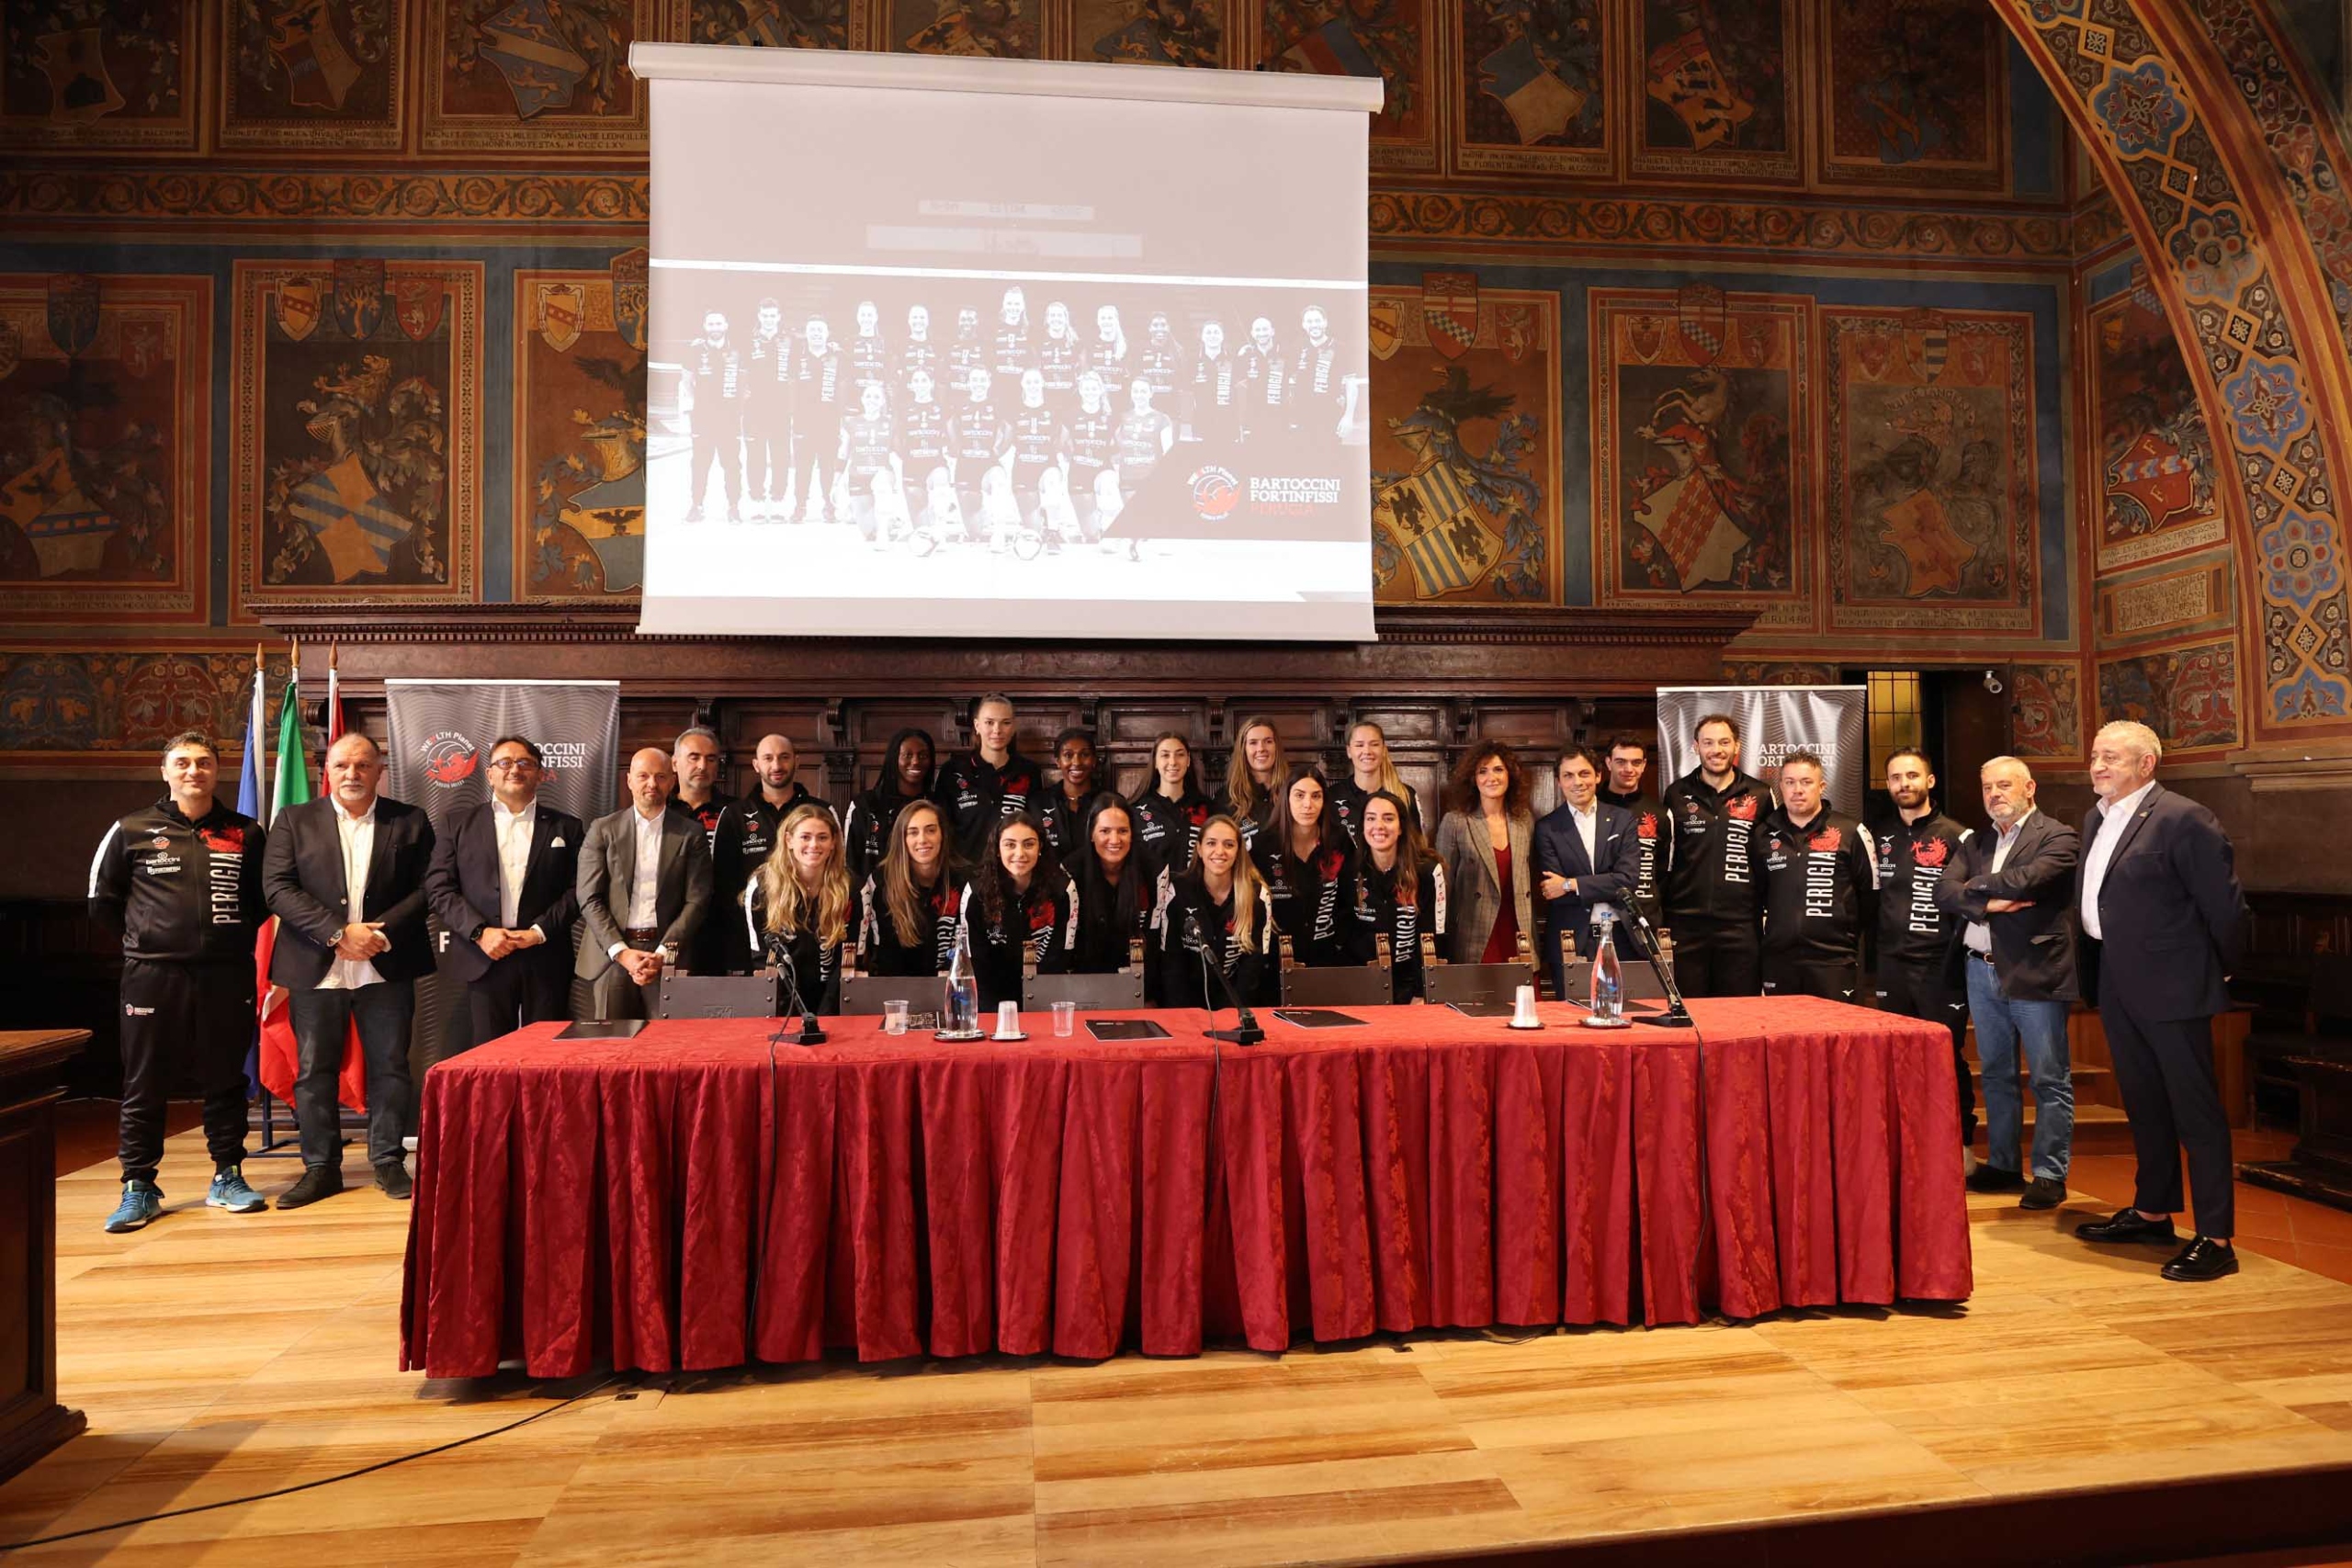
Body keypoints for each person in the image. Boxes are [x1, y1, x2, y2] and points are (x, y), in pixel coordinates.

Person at [2072, 721, 2249, 1281]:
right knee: (2144, 1102)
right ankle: (2153, 1211)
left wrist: (2218, 972)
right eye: (2095, 757)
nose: (2097, 767)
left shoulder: (2183, 817)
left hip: (2174, 986)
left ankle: (2217, 1237)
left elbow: (2226, 909)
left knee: (2195, 1112)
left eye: (2111, 758)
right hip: (2117, 983)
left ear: (2146, 765)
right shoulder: (2096, 816)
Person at [87, 732, 270, 1232]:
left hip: (225, 975)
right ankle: (138, 1186)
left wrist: (218, 942)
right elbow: (102, 903)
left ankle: (228, 1175)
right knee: (144, 1083)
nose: (194, 771)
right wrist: (151, 940)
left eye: (204, 763)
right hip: (152, 976)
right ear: (164, 771)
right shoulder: (130, 829)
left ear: (217, 771)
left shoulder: (246, 832)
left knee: (226, 1081)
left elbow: (261, 903)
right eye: (183, 763)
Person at [262, 732, 436, 1208]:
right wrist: (340, 933)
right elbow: (276, 887)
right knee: (314, 1070)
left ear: (381, 770)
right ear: (327, 771)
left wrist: (377, 934)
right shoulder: (295, 820)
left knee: (391, 1066)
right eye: (342, 766)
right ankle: (321, 1168)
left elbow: (430, 887)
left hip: (387, 962)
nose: (352, 775)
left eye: (363, 766)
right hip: (317, 964)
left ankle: (387, 1160)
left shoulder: (410, 820)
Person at [1936, 755, 2079, 1212]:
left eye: (2004, 785)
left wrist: (1973, 889)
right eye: (1987, 787)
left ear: (2029, 787)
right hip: (1980, 968)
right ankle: (2002, 1164)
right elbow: (1943, 890)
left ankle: (2049, 1174)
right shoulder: (1975, 840)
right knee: (1996, 1074)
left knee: (2048, 1077)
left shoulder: (2057, 835)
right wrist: (1991, 903)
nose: (1994, 794)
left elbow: (2029, 879)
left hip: (2035, 969)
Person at [424, 736, 582, 1051]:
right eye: (505, 763)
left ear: (540, 773)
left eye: (525, 763)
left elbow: (580, 889)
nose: (515, 769)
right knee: (490, 1057)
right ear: (490, 773)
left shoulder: (568, 827)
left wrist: (539, 932)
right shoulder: (458, 824)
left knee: (549, 1056)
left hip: (545, 956)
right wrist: (480, 933)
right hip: (483, 957)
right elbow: (438, 887)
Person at [1871, 748, 1976, 1169]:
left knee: (1945, 1056)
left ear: (1929, 781)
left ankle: (1961, 1146)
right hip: (1892, 965)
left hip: (1941, 966)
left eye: (1912, 776)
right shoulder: (1877, 836)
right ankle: (1901, 1144)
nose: (1904, 784)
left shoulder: (1958, 836)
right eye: (1896, 778)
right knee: (1893, 1058)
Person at [577, 748, 713, 1021]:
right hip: (612, 955)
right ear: (629, 780)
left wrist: (663, 952)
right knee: (611, 1051)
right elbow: (589, 897)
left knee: (669, 1052)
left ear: (672, 782)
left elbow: (697, 900)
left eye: (660, 776)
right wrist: (622, 953)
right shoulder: (602, 829)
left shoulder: (691, 833)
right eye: (643, 776)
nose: (652, 784)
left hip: (669, 953)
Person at [1660, 712, 1770, 997]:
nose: (1716, 750)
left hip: (1741, 926)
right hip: (1685, 924)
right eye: (1708, 743)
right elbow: (1666, 859)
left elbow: (1770, 857)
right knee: (1691, 1014)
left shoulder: (1760, 793)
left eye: (1724, 742)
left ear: (1737, 746)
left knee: (1738, 1016)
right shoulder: (1676, 793)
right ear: (1696, 747)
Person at [1757, 750, 1878, 1002]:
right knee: (1784, 1039)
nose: (1797, 790)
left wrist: (1845, 934)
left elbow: (1871, 896)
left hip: (1834, 961)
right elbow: (1756, 896)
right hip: (1780, 961)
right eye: (1790, 782)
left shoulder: (1851, 831)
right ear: (1780, 786)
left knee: (1836, 1039)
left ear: (1822, 786)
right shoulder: (1763, 835)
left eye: (1806, 782)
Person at [1532, 744, 1641, 999]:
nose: (1577, 782)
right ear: (1558, 782)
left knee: (1626, 1017)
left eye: (1584, 774)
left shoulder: (1622, 819)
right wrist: (1604, 884)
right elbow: (1553, 890)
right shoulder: (1547, 828)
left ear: (1598, 776)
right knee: (1571, 1019)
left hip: (1621, 936)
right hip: (1571, 938)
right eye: (1568, 776)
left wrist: (1570, 884)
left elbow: (1627, 881)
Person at [707, 733, 820, 974]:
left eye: (784, 757)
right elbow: (723, 883)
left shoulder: (820, 811)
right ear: (756, 765)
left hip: (811, 935)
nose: (777, 766)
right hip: (750, 940)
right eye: (768, 758)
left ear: (797, 761)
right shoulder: (735, 814)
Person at [957, 811, 1076, 1012]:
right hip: (990, 1002)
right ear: (997, 849)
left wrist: (1036, 1006)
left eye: (1029, 844)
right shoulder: (976, 892)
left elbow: (1060, 957)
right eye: (1010, 844)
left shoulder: (1063, 890)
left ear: (1040, 847)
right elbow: (975, 961)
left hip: (1045, 999)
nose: (1020, 853)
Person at [745, 801, 854, 1015]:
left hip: (835, 1004)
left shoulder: (853, 888)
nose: (814, 845)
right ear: (789, 840)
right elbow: (762, 960)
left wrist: (824, 1017)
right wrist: (796, 1016)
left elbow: (848, 960)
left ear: (833, 842)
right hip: (781, 1006)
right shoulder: (761, 886)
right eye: (805, 837)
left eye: (822, 837)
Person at [1156, 813, 1274, 1009]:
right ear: (1199, 849)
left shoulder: (1258, 896)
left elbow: (1253, 966)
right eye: (1211, 843)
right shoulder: (1177, 890)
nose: (1220, 851)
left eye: (1229, 845)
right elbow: (1171, 962)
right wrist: (1185, 1015)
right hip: (1185, 1005)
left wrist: (1232, 1012)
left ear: (1238, 851)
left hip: (1237, 1005)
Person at [1434, 740, 1533, 966]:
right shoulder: (1456, 822)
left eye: (1499, 769)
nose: (1492, 777)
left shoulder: (1524, 820)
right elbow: (1443, 887)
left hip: (1518, 931)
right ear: (1473, 778)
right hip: (1474, 935)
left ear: (1510, 775)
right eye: (1483, 771)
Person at [1253, 768, 1360, 968]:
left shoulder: (1339, 841)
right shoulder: (1262, 846)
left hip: (1327, 958)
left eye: (1316, 796)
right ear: (1286, 799)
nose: (1307, 805)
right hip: (1275, 962)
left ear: (1324, 801)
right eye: (1299, 795)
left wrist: (1340, 942)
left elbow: (1351, 898)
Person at [1354, 789, 1444, 1001]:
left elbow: (1434, 936)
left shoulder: (1427, 872)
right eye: (1371, 818)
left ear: (1401, 827)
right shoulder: (1351, 869)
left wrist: (1421, 993)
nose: (1379, 826)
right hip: (1361, 986)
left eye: (1388, 818)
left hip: (1410, 988)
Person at [855, 799, 961, 977]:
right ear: (901, 839)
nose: (922, 839)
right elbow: (882, 957)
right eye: (913, 832)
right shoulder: (881, 881)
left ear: (942, 834)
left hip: (953, 988)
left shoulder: (964, 879)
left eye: (931, 830)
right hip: (896, 991)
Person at [934, 694, 1043, 863]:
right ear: (977, 725)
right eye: (989, 722)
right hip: (965, 874)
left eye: (1005, 722)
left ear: (1013, 727)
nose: (997, 730)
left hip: (1011, 872)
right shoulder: (953, 770)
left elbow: (1034, 828)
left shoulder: (1029, 771)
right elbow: (941, 828)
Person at [1066, 795, 1155, 990]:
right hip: (1081, 986)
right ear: (1091, 834)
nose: (1114, 840)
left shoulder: (1151, 871)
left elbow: (1157, 943)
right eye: (1105, 831)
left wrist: (1149, 996)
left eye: (1123, 831)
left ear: (1132, 834)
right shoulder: (1070, 872)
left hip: (1138, 986)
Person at [843, 727, 937, 886]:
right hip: (872, 903)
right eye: (907, 755)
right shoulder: (865, 805)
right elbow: (849, 864)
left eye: (923, 756)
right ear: (894, 758)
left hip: (926, 900)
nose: (915, 761)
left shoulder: (937, 804)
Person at [681, 308, 745, 524]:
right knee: (700, 463)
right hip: (703, 418)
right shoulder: (695, 350)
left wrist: (738, 405)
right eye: (711, 324)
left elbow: (746, 383)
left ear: (726, 326)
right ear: (704, 326)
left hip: (730, 419)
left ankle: (734, 507)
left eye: (719, 324)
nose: (715, 328)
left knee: (732, 464)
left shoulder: (737, 350)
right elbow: (687, 381)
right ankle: (696, 506)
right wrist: (699, 402)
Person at [1600, 732, 1667, 925]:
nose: (1628, 769)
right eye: (1621, 762)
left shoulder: (1660, 813)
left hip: (1647, 917)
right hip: (1602, 914)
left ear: (1644, 765)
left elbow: (1664, 871)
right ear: (1608, 763)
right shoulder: (1591, 807)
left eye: (1636, 762)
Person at [1130, 731, 1213, 880]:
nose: (1173, 762)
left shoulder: (1207, 807)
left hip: (1197, 898)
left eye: (1180, 754)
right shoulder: (1136, 810)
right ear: (1155, 761)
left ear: (1188, 760)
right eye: (1165, 755)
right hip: (1153, 900)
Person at [745, 297, 797, 523]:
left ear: (779, 317)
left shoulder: (790, 340)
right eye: (764, 315)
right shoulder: (748, 340)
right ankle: (755, 501)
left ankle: (778, 502)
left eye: (772, 315)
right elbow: (740, 371)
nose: (768, 319)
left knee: (780, 456)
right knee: (755, 455)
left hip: (781, 409)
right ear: (759, 316)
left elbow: (796, 373)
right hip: (754, 409)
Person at [834, 380, 903, 545]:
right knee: (868, 533)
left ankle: (885, 528)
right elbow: (843, 453)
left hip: (882, 473)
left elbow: (900, 452)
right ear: (862, 399)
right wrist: (835, 482)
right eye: (868, 396)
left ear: (883, 401)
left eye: (877, 397)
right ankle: (888, 522)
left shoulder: (891, 422)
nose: (872, 400)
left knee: (881, 482)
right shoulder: (850, 422)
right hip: (858, 477)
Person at [948, 366, 1011, 547]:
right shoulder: (959, 405)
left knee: (999, 480)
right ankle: (981, 510)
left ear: (989, 382)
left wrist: (998, 451)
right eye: (975, 380)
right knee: (974, 532)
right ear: (968, 383)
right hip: (966, 465)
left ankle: (999, 532)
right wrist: (957, 449)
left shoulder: (997, 405)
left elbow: (1009, 430)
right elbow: (951, 427)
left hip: (988, 465)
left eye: (983, 380)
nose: (979, 384)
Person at [790, 315, 844, 524]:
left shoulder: (838, 357)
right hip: (804, 422)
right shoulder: (797, 356)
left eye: (820, 330)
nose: (816, 333)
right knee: (803, 467)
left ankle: (829, 506)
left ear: (827, 333)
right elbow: (791, 389)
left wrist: (840, 420)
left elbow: (842, 389)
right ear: (807, 333)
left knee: (827, 467)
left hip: (829, 422)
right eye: (812, 329)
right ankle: (800, 506)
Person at [1329, 719, 1419, 841]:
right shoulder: (1332, 795)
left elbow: (1416, 845)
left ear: (1383, 750)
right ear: (1349, 751)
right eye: (1359, 745)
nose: (1367, 751)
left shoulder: (1406, 795)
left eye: (1374, 744)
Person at [1217, 715, 1287, 851]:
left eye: (1268, 741)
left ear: (1276, 747)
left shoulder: (1293, 791)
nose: (1261, 748)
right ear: (1243, 749)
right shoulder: (1226, 798)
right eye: (1253, 743)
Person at [1038, 727, 1100, 862]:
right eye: (1068, 755)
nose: (1077, 762)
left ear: (1094, 760)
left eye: (1084, 755)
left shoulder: (1109, 802)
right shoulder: (1038, 803)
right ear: (1057, 761)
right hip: (1052, 881)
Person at [670, 725, 733, 845]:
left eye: (711, 759)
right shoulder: (661, 808)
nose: (703, 766)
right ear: (674, 763)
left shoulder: (735, 811)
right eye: (694, 758)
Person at [1183, 319, 1238, 446]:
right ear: (1202, 337)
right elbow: (1187, 392)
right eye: (1208, 332)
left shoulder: (1232, 360)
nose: (1212, 336)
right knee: (1203, 462)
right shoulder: (1193, 361)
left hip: (1227, 420)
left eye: (1216, 332)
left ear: (1223, 336)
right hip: (1201, 420)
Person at [1237, 315, 1284, 442]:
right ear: (1252, 333)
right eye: (1257, 330)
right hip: (1254, 419)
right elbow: (1239, 387)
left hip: (1280, 418)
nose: (1261, 333)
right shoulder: (1245, 356)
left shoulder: (1285, 353)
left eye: (1265, 329)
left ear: (1272, 331)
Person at [899, 303, 941, 393]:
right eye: (915, 317)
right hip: (907, 399)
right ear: (909, 320)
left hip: (931, 400)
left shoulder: (937, 346)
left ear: (928, 321)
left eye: (922, 317)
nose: (918, 321)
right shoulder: (900, 345)